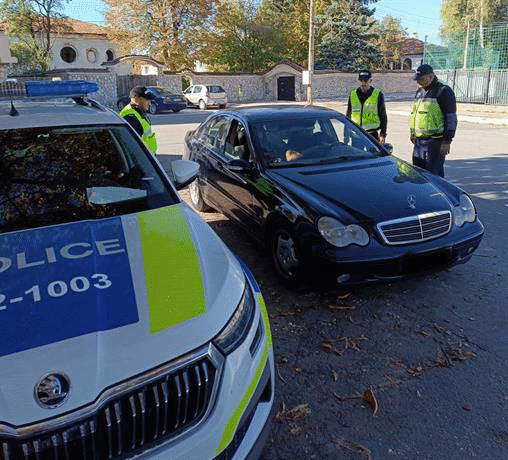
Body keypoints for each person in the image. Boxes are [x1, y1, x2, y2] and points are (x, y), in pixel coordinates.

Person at [409, 64, 457, 177]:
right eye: (418, 79)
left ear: (431, 77)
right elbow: (415, 114)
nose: (419, 82)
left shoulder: (443, 91)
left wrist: (447, 141)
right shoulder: (420, 92)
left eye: (422, 79)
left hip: (435, 143)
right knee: (418, 175)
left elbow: (451, 118)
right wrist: (412, 132)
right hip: (419, 142)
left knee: (434, 176)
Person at [346, 69, 387, 144]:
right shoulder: (353, 95)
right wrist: (346, 135)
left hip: (372, 134)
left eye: (365, 81)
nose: (363, 83)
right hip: (357, 134)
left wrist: (382, 134)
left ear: (370, 81)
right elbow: (348, 116)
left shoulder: (377, 94)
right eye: (361, 81)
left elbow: (383, 115)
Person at [119, 86, 158, 154]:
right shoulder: (130, 117)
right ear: (136, 99)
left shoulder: (138, 112)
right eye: (147, 100)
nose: (149, 104)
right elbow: (133, 145)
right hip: (142, 157)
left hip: (147, 156)